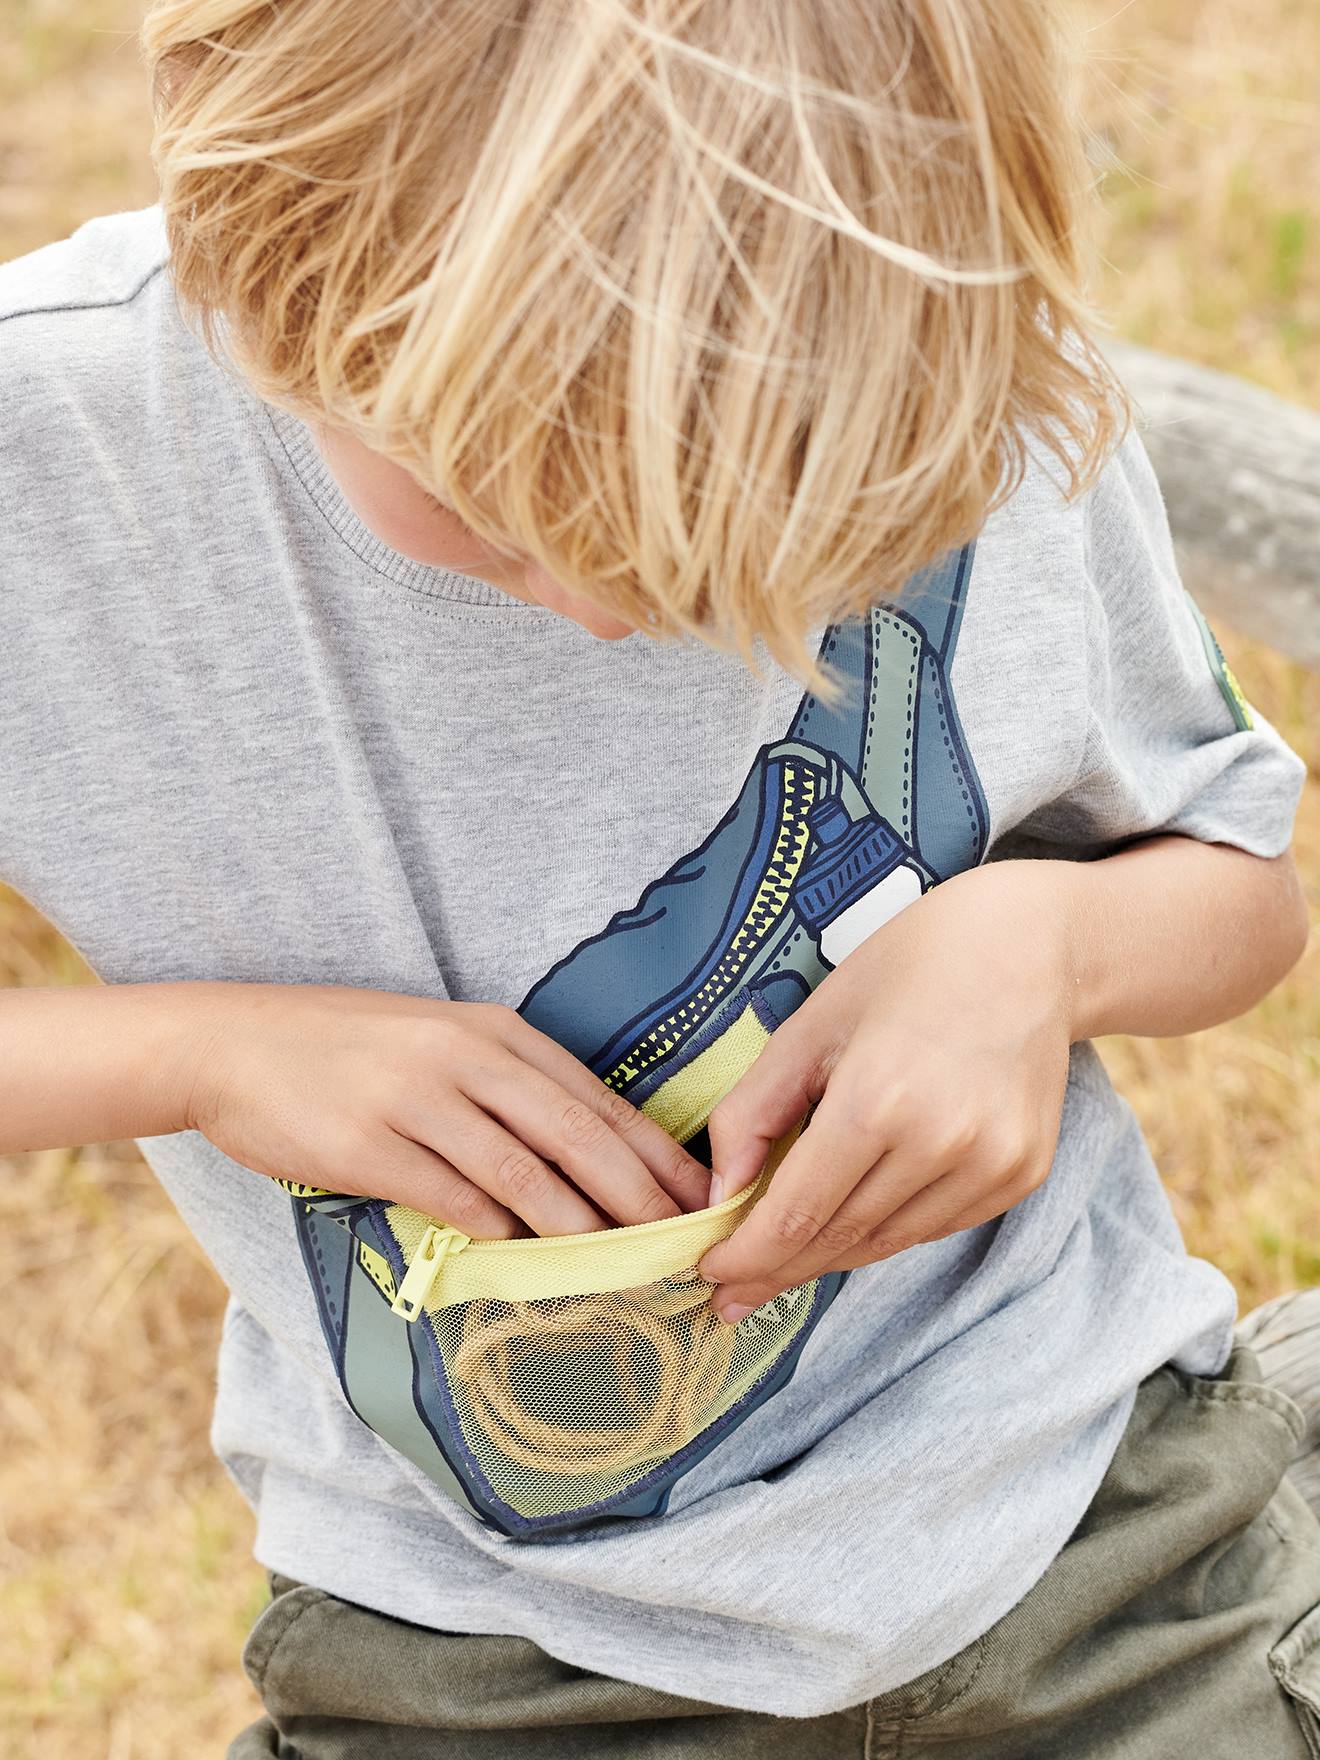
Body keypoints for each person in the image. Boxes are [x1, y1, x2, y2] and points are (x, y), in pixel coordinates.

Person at [2, 0, 1318, 1753]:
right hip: (471, 1664)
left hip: (1105, 1554)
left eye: (768, 526)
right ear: (258, 242)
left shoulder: (940, 361)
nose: (615, 608)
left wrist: (1046, 939)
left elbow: (1241, 875)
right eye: (491, 511)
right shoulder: (52, 460)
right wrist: (199, 1055)